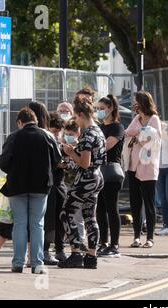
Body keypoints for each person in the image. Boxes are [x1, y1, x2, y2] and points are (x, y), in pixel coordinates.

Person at [0, 107, 61, 274]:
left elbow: (3, 162)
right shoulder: (47, 136)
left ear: (20, 122)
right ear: (36, 121)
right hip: (40, 186)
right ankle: (37, 264)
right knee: (37, 225)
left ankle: (18, 263)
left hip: (17, 186)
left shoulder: (13, 137)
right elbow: (57, 159)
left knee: (19, 224)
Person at [58, 96, 106, 269]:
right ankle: (91, 257)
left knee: (66, 212)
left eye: (76, 117)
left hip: (85, 177)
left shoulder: (87, 135)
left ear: (80, 114)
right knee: (89, 216)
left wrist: (71, 153)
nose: (75, 121)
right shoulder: (99, 131)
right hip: (97, 176)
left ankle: (76, 252)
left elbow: (84, 162)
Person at [125, 91, 162, 249]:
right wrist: (140, 134)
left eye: (136, 102)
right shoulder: (137, 119)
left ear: (142, 103)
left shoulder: (154, 119)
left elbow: (153, 140)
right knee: (135, 203)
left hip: (148, 166)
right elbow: (127, 133)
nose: (134, 104)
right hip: (133, 165)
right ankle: (136, 237)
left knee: (149, 203)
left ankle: (150, 238)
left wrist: (138, 134)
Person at [96, 95, 125, 257]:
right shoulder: (99, 127)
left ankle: (114, 244)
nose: (99, 112)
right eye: (97, 109)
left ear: (111, 108)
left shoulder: (117, 127)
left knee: (111, 209)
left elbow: (106, 146)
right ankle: (103, 242)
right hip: (98, 172)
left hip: (111, 172)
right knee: (99, 209)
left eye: (102, 108)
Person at [43, 112, 68, 265]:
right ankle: (45, 250)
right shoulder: (46, 141)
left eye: (59, 130)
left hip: (60, 184)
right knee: (49, 221)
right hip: (49, 185)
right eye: (54, 130)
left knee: (61, 219)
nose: (57, 133)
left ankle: (60, 250)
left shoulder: (62, 143)